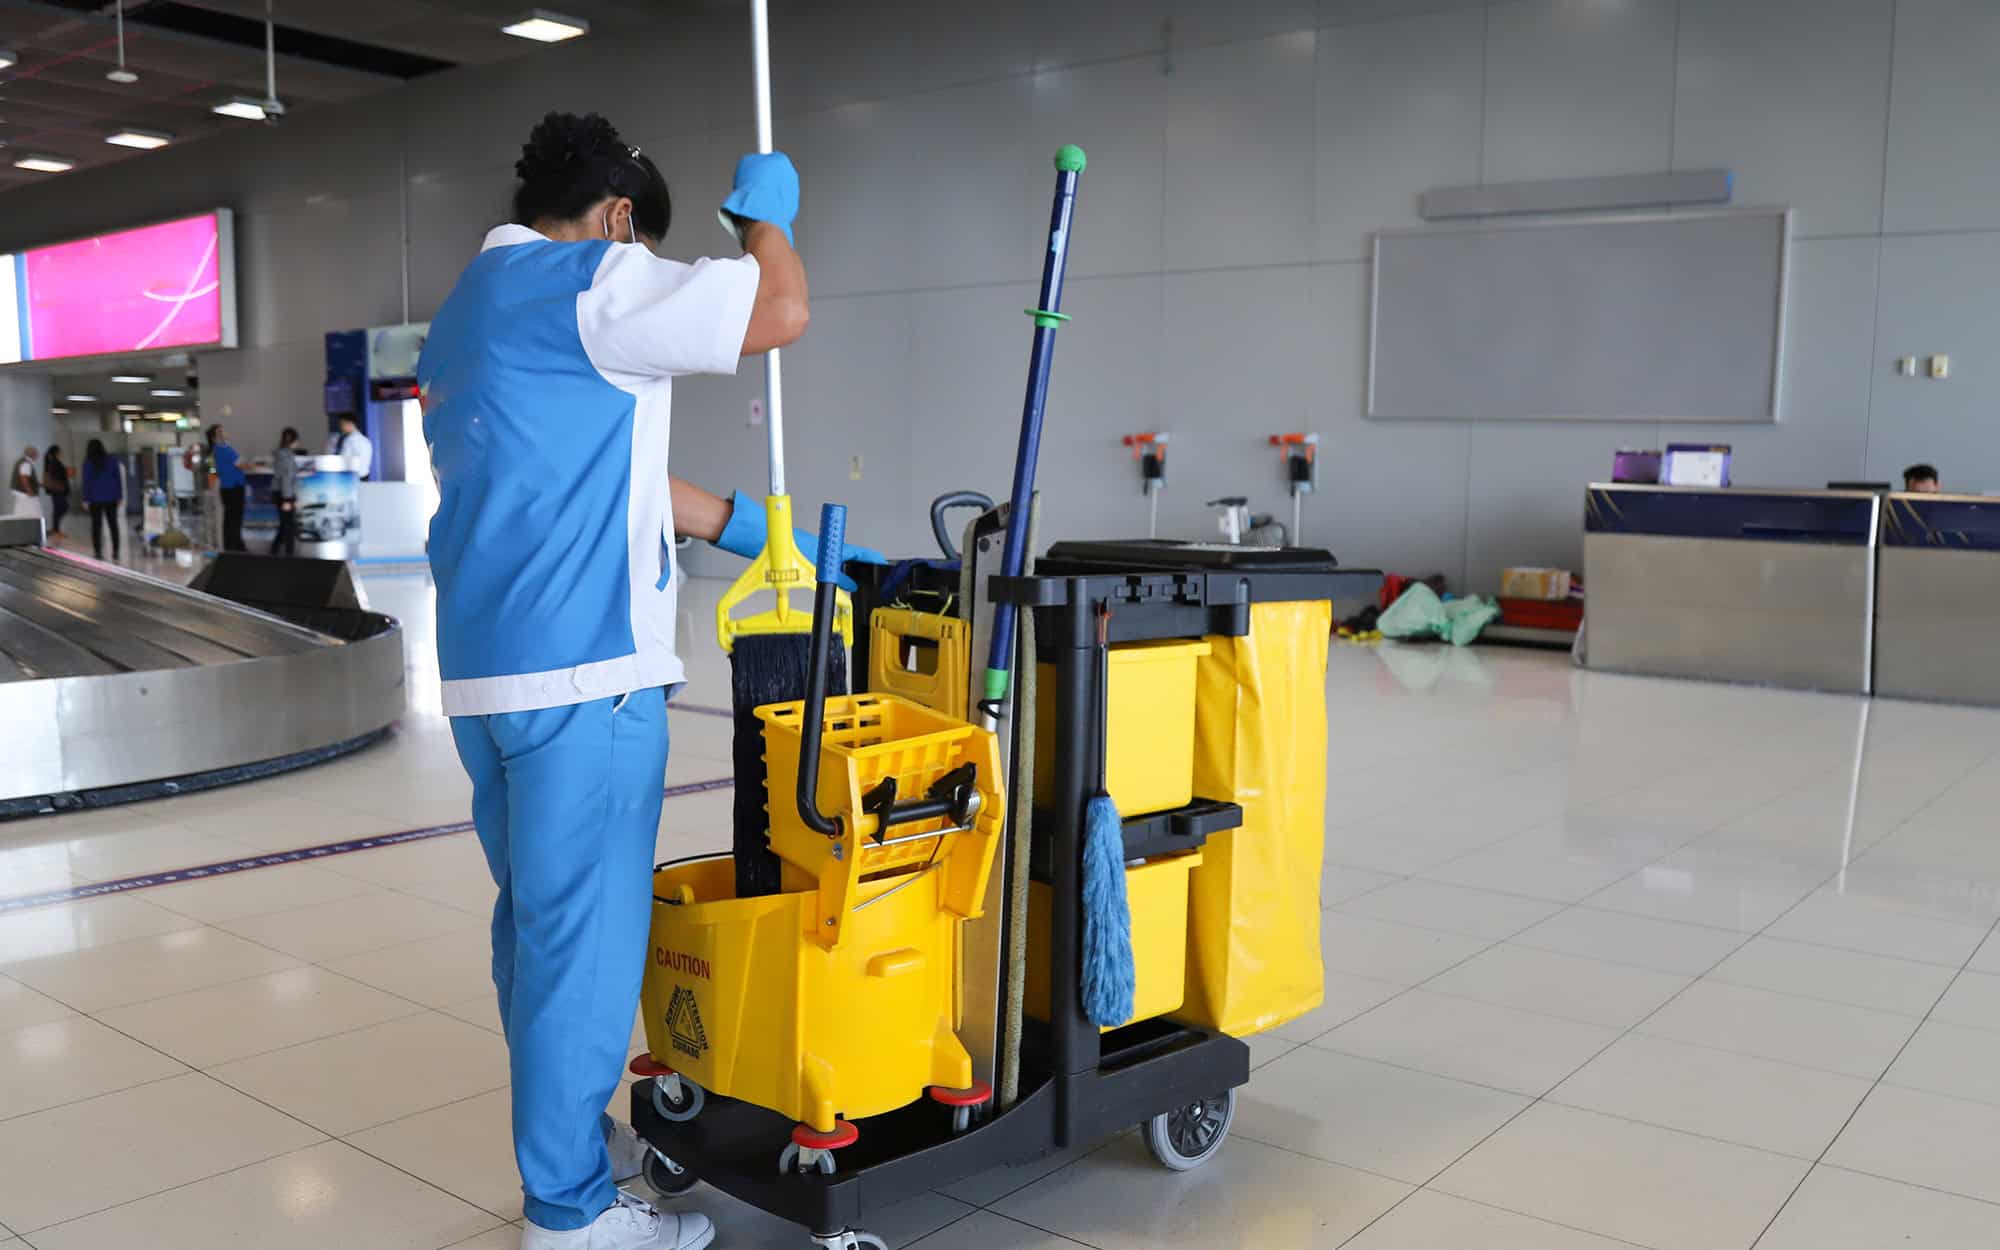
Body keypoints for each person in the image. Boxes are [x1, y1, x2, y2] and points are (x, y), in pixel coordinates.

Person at [420, 111, 880, 1250]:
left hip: (488, 679)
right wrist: (766, 226)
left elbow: (588, 468)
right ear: (620, 218)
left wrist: (738, 523)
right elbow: (781, 310)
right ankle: (571, 1214)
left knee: (535, 931)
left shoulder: (464, 313)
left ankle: (571, 1148)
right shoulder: (594, 277)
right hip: (585, 673)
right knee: (585, 949)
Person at [79, 439, 122, 560]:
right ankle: (116, 552)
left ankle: (98, 552)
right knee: (113, 524)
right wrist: (119, 496)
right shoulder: (112, 460)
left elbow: (86, 482)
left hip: (94, 498)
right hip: (111, 497)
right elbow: (118, 479)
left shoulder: (88, 462)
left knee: (96, 526)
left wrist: (85, 499)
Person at [209, 424, 247, 552]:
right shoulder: (223, 449)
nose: (224, 432)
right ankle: (233, 547)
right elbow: (240, 464)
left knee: (232, 518)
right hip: (232, 488)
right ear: (215, 437)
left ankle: (235, 545)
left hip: (232, 487)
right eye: (220, 431)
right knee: (233, 518)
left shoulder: (224, 449)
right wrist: (253, 466)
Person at [271, 427, 302, 556]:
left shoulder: (282, 454)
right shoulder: (286, 456)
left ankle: (275, 549)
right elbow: (286, 478)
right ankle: (289, 554)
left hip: (282, 493)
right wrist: (287, 499)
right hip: (284, 494)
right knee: (288, 526)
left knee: (285, 524)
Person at [327, 414, 373, 480]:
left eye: (342, 424)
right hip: (362, 476)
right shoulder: (364, 439)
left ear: (349, 423)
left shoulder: (352, 440)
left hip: (354, 477)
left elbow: (345, 459)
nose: (341, 427)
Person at [42, 446, 70, 538]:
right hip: (58, 489)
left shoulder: (52, 462)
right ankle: (56, 530)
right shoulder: (54, 463)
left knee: (58, 509)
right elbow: (58, 476)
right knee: (61, 508)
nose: (61, 453)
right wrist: (67, 472)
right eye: (60, 452)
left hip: (56, 490)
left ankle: (55, 529)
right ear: (56, 453)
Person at [11, 445, 39, 518]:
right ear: (33, 454)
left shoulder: (21, 461)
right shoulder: (26, 463)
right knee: (33, 512)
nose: (38, 455)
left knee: (21, 511)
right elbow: (24, 478)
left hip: (19, 492)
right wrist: (29, 491)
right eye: (36, 453)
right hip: (24, 493)